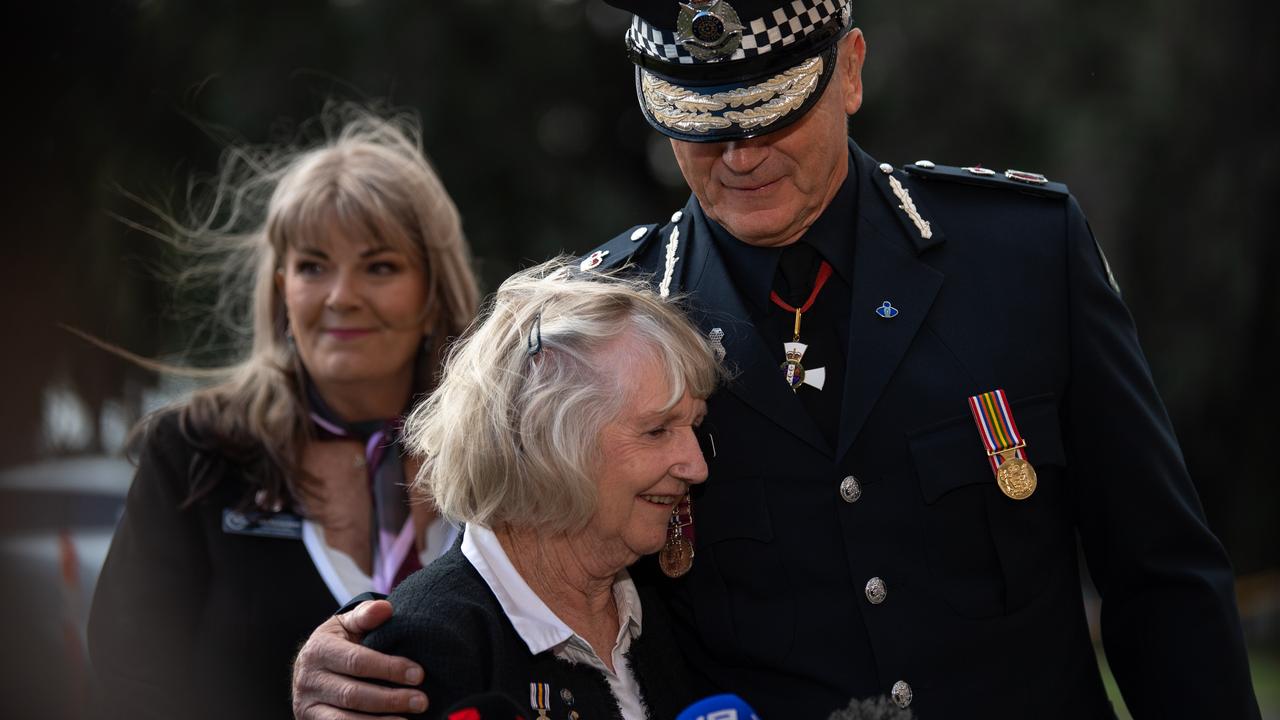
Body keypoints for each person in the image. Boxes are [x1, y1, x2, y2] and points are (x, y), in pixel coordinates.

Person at [291, 3, 1261, 718]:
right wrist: (378, 650)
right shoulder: (609, 319)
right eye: (699, 126)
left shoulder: (1018, 255)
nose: (738, 156)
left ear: (848, 69)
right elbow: (521, 562)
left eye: (768, 113)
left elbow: (1158, 576)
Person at [87, 106, 480, 720]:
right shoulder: (195, 452)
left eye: (379, 266)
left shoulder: (498, 459)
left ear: (433, 294)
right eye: (312, 266)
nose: (341, 296)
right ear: (281, 291)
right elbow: (130, 683)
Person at [359, 259, 720, 719]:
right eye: (657, 431)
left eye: (695, 426)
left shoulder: (658, 612)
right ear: (547, 442)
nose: (696, 466)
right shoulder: (429, 645)